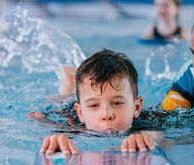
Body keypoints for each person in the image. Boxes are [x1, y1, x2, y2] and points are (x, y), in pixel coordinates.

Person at [35, 49, 163, 155]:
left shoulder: (144, 125)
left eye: (117, 103)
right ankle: (68, 87)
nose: (106, 115)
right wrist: (56, 139)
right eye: (94, 105)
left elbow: (158, 136)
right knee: (49, 109)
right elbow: (37, 117)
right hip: (70, 112)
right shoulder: (73, 124)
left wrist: (144, 139)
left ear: (136, 108)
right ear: (80, 113)